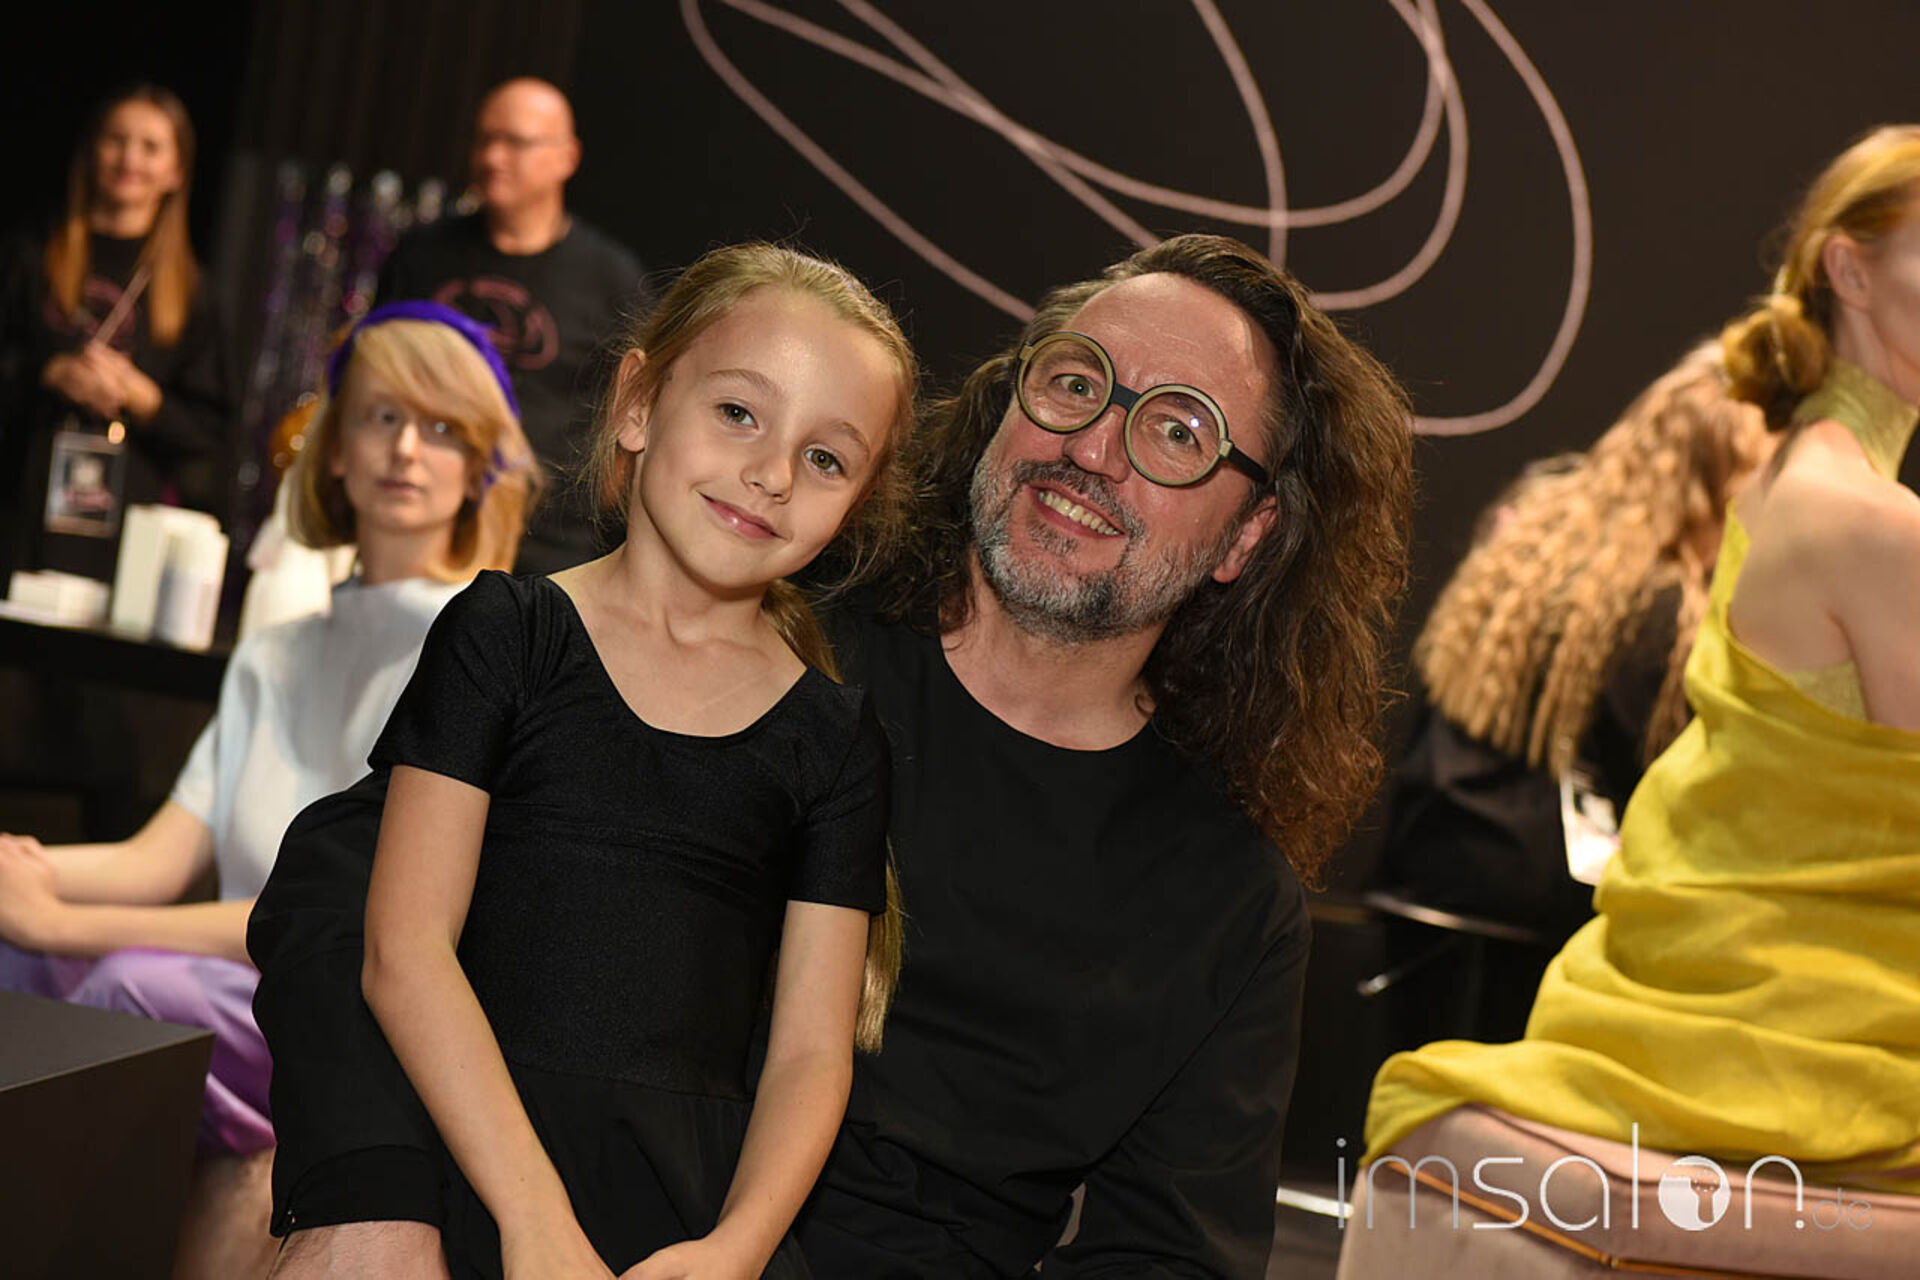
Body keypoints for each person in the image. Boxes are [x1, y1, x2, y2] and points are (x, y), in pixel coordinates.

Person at [253, 232, 1415, 1279]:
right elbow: (342, 887)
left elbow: (1170, 1256)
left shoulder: (1228, 896)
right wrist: (369, 1190)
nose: (1095, 446)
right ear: (1005, 403)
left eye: (1177, 431)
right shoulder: (760, 631)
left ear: (1246, 533)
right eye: (1075, 381)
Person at [251, 243, 918, 1279]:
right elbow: (404, 949)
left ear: (859, 503)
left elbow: (809, 1054)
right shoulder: (505, 634)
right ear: (638, 402)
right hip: (470, 1166)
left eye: (827, 458)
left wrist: (734, 1250)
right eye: (738, 412)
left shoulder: (835, 740)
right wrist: (533, 1217)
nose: (773, 474)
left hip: (682, 1221)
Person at [1364, 126, 1920, 1200]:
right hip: (1805, 1026)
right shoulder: (1873, 520)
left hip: (1649, 966)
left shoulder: (1780, 487)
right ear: (1849, 271)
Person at [0, 300, 536, 1276]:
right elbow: (161, 855)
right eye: (381, 416)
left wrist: (61, 922)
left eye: (441, 428)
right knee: (15, 958)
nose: (405, 449)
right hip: (218, 970)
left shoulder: (478, 654)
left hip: (338, 996)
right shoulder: (277, 649)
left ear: (480, 467)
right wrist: (26, 871)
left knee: (125, 990)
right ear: (334, 450)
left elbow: (337, 914)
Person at [1379, 344, 1771, 954]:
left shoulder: (1537, 530)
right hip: (1528, 924)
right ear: (1723, 488)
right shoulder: (1662, 612)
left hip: (1430, 877)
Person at [374, 76, 646, 576]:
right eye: (484, 139)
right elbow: (374, 376)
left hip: (547, 547)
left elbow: (633, 412)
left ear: (566, 157)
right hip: (423, 526)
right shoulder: (421, 256)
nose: (493, 157)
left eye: (515, 142)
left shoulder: (610, 280)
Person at [0, 83, 230, 585]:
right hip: (18, 513)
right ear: (92, 152)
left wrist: (143, 398)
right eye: (116, 140)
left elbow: (209, 434)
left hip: (122, 540)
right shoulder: (29, 258)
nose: (130, 159)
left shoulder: (192, 292)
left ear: (176, 170)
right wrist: (49, 373)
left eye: (150, 147)